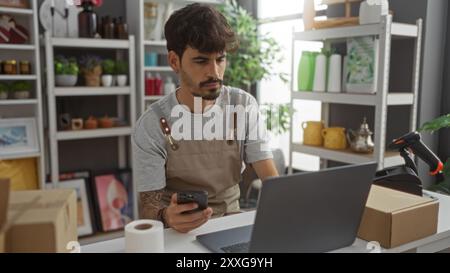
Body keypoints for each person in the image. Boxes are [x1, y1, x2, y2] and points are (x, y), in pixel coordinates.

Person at [132, 3, 279, 234]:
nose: (215, 72)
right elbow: (149, 208)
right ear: (174, 61)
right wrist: (166, 216)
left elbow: (272, 181)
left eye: (220, 59)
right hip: (176, 232)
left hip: (231, 223)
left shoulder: (242, 106)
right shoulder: (152, 124)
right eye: (201, 61)